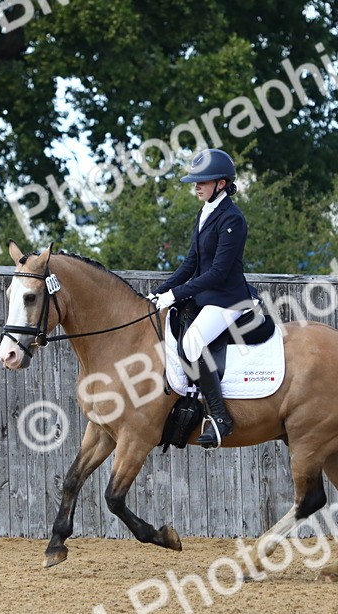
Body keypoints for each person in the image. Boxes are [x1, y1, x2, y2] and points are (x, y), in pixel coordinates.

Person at [147, 149, 259, 449]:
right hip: (207, 297)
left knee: (193, 341)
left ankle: (221, 417)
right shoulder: (205, 213)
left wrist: (176, 294)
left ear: (221, 184)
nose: (196, 186)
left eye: (202, 182)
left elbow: (219, 272)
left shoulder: (232, 219)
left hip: (228, 299)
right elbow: (191, 263)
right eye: (195, 182)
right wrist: (161, 290)